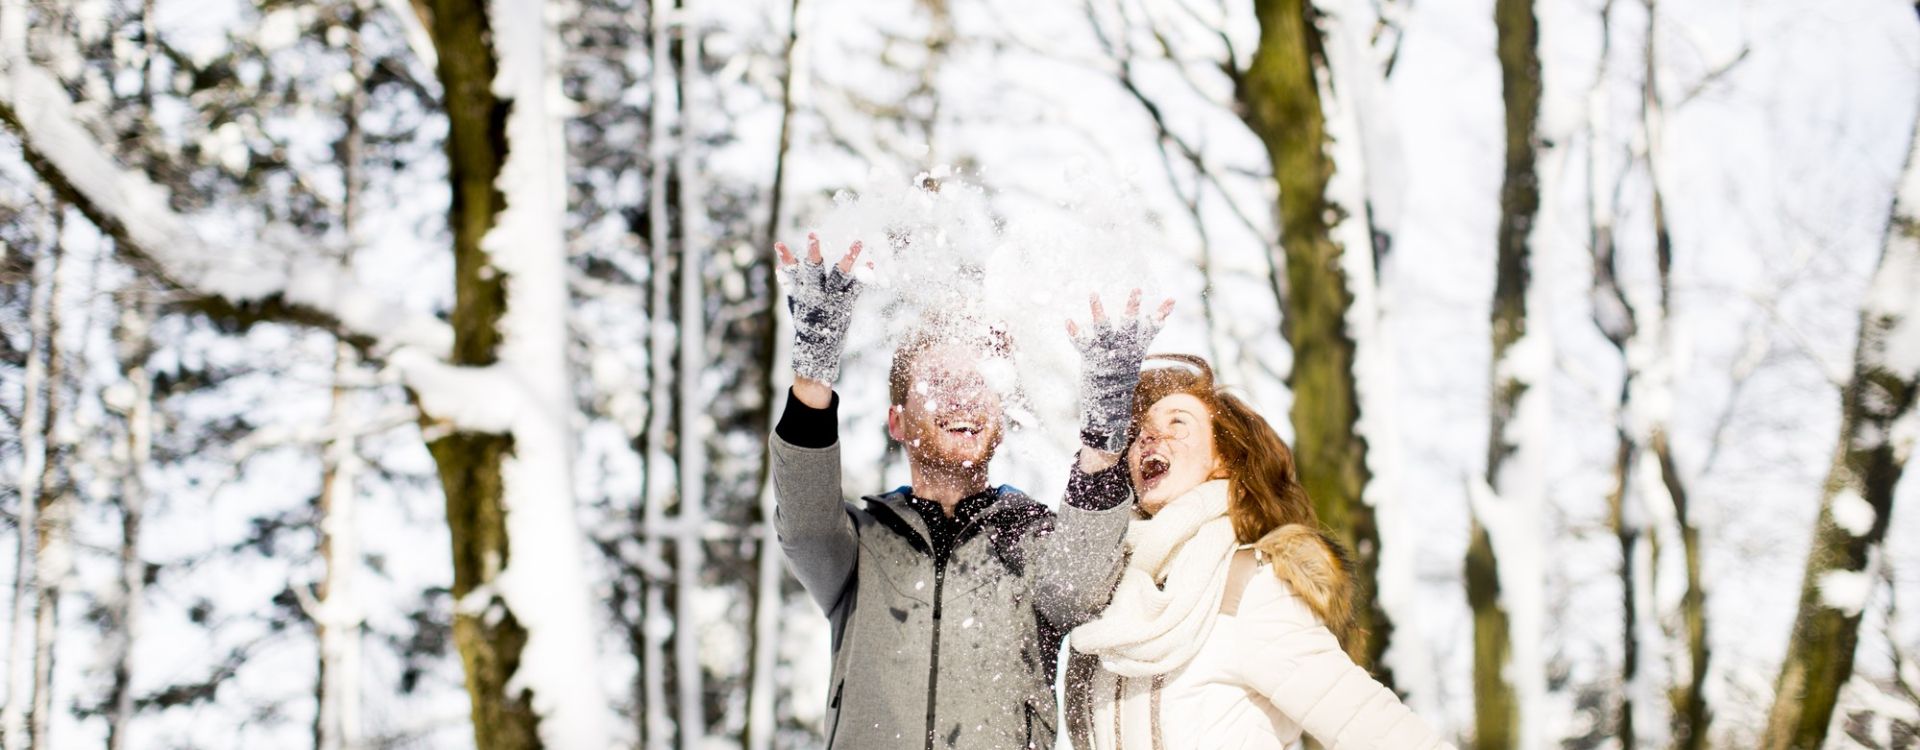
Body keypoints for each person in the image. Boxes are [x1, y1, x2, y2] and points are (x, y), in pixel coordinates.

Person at [768, 232, 1171, 750]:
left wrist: (1104, 438)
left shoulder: (1035, 538)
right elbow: (803, 522)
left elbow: (1079, 588)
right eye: (939, 380)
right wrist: (812, 378)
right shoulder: (859, 547)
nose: (962, 395)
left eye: (979, 381)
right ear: (898, 421)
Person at [1066, 354, 1456, 749]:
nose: (1149, 437)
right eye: (1140, 432)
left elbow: (1376, 728)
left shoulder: (1249, 585)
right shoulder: (1113, 594)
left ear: (1223, 460)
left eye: (1178, 423)